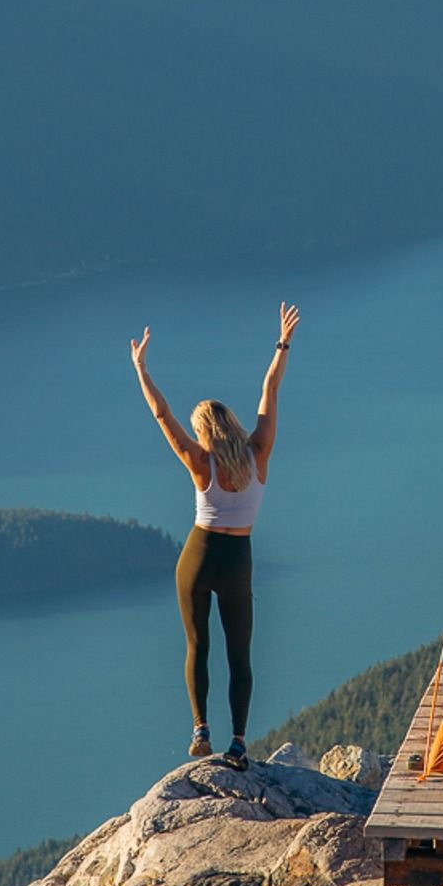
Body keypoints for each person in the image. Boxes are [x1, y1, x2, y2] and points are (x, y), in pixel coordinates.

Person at [130, 304, 298, 767]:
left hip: (198, 555)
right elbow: (270, 388)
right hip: (237, 559)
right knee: (239, 654)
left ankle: (200, 729)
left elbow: (161, 415)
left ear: (204, 431)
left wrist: (141, 369)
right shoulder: (259, 451)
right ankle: (238, 741)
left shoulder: (199, 463)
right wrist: (282, 343)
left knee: (196, 645)